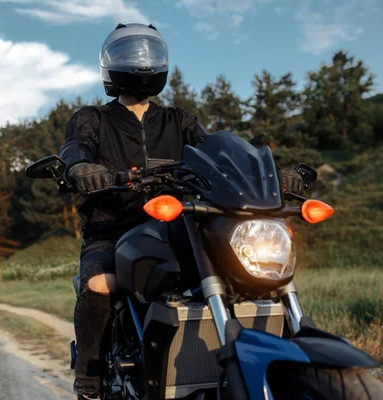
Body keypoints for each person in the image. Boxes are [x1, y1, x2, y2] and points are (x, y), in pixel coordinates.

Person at [58, 23, 304, 400]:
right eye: (130, 56)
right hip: (112, 228)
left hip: (178, 225)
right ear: (111, 67)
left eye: (148, 55)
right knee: (100, 284)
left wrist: (265, 173)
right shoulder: (94, 119)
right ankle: (90, 381)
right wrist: (80, 169)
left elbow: (217, 156)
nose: (141, 64)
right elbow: (75, 147)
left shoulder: (179, 120)